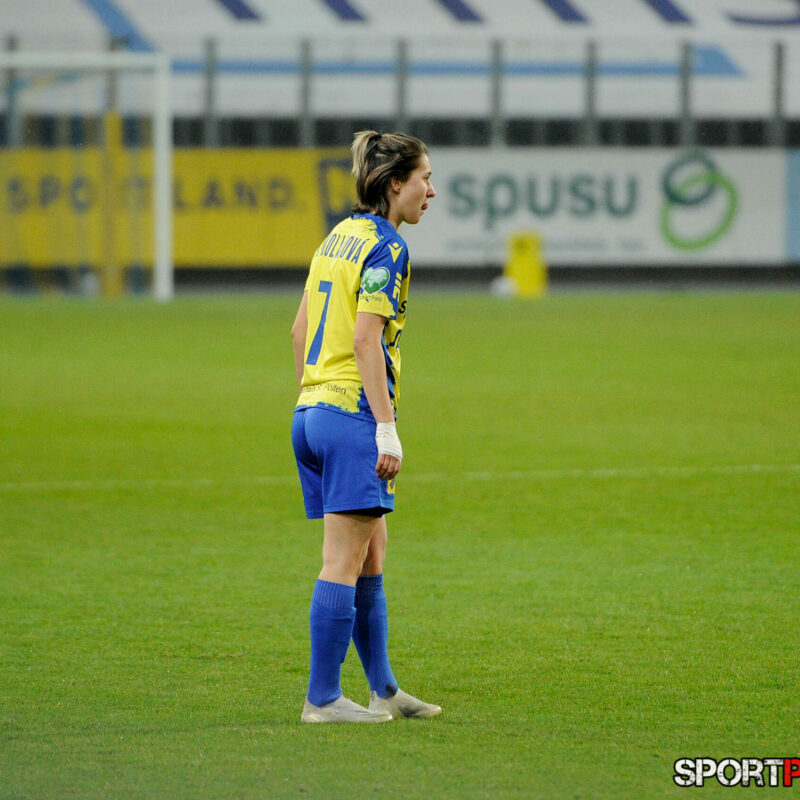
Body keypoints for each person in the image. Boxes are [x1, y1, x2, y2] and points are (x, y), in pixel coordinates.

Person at [290, 130, 441, 723]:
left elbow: (301, 331)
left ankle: (383, 689)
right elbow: (365, 338)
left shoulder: (337, 237)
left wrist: (314, 401)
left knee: (371, 554)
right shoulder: (387, 250)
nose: (432, 190)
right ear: (394, 183)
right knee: (343, 561)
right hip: (352, 416)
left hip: (311, 411)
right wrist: (384, 428)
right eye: (424, 178)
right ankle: (322, 698)